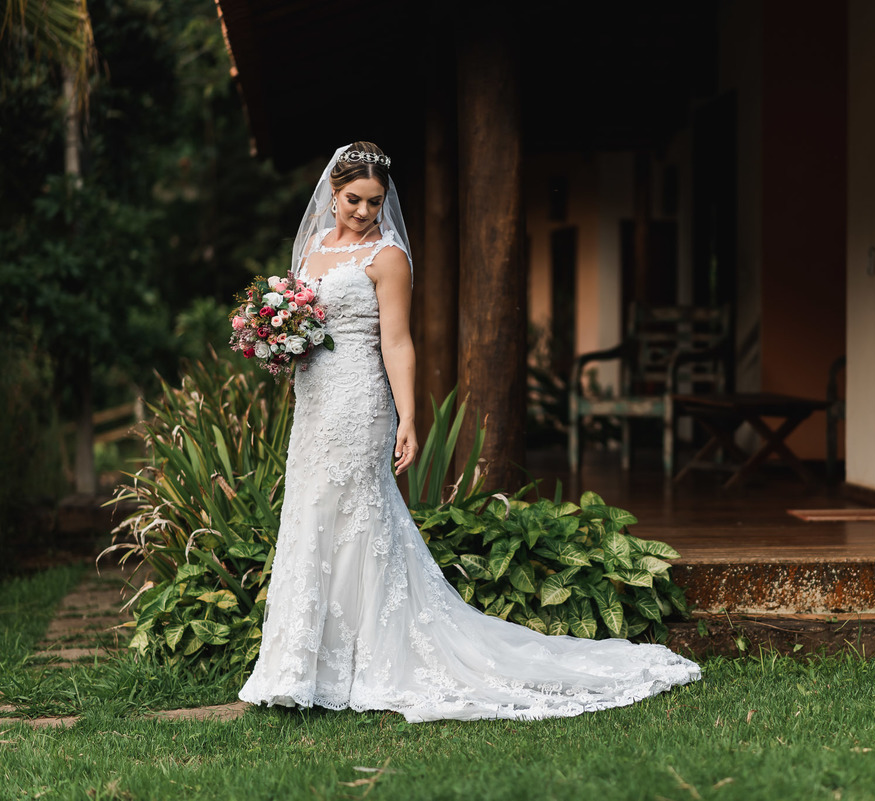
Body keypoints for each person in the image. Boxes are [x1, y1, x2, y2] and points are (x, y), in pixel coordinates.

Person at [238, 142, 701, 722]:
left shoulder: (388, 258)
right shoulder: (310, 251)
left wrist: (408, 416)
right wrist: (280, 344)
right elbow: (305, 324)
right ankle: (300, 667)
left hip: (361, 400)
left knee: (359, 517)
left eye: (374, 203)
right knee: (312, 514)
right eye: (353, 199)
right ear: (332, 192)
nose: (362, 212)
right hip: (313, 403)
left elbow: (398, 342)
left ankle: (369, 663)